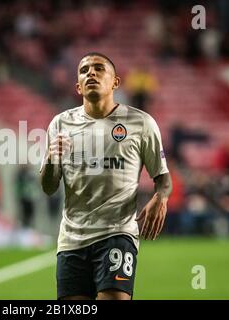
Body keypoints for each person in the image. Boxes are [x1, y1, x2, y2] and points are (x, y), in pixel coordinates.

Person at [40, 52, 172, 300]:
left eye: (99, 68)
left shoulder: (140, 123)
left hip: (117, 234)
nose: (91, 72)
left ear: (115, 82)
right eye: (84, 70)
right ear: (78, 87)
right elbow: (48, 187)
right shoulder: (60, 124)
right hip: (71, 240)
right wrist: (50, 159)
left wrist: (160, 198)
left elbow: (163, 178)